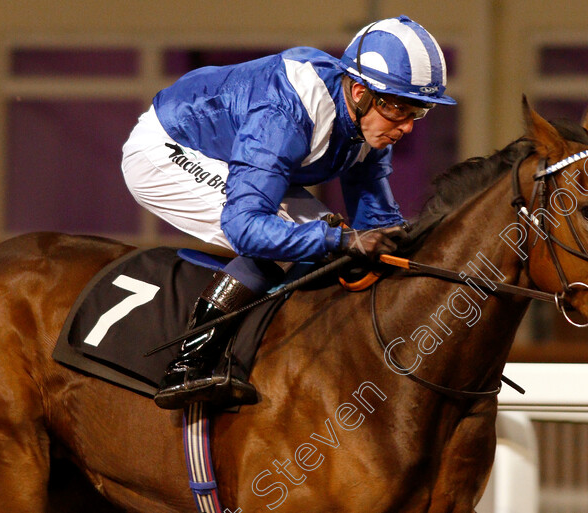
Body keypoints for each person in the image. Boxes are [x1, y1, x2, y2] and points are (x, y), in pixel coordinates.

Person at [120, 15, 456, 410]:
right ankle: (190, 363)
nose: (407, 127)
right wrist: (341, 239)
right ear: (361, 91)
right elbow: (244, 227)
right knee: (295, 241)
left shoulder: (372, 123)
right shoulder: (286, 110)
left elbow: (378, 225)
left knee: (334, 243)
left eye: (418, 112)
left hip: (227, 153)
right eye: (401, 109)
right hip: (166, 148)